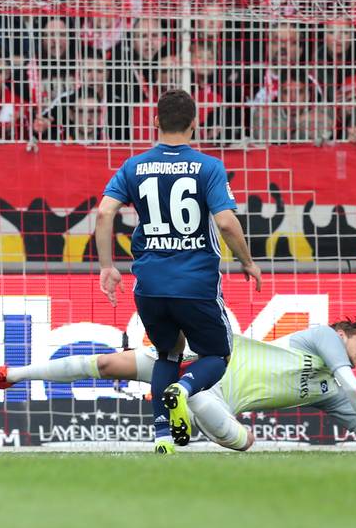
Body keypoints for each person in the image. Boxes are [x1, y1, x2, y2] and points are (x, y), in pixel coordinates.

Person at [0, 318, 356, 452]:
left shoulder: (331, 394)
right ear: (342, 336)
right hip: (214, 358)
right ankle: (11, 374)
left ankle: (182, 402)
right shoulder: (322, 339)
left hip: (207, 378)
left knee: (105, 366)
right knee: (105, 364)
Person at [95, 89, 260, 453]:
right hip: (195, 283)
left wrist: (107, 267)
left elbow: (105, 213)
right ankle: (183, 389)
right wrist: (247, 261)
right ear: (194, 123)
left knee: (167, 353)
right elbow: (226, 223)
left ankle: (162, 437)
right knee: (217, 356)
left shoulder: (133, 166)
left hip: (150, 284)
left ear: (155, 121)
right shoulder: (208, 167)